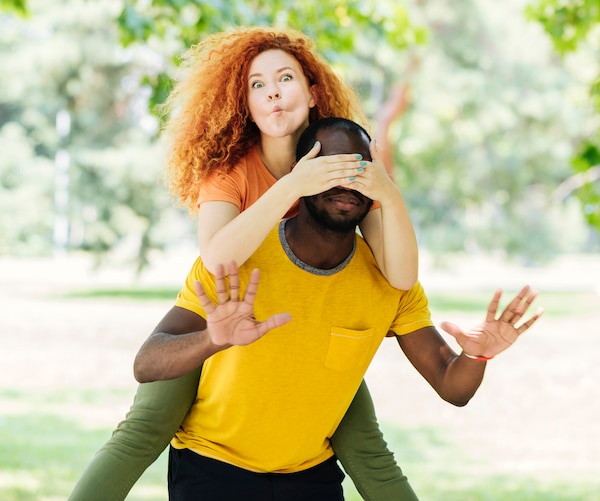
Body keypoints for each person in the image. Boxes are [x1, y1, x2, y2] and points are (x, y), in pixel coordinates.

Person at [69, 28, 419, 500]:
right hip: (222, 321)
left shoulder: (343, 165)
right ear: (246, 106)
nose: (272, 92)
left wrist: (387, 192)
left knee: (369, 451)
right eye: (257, 85)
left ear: (314, 94)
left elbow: (396, 273)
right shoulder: (230, 172)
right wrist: (295, 185)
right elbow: (215, 259)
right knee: (144, 428)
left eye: (285, 78)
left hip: (301, 334)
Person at [133, 117, 543, 500]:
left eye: (360, 170)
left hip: (312, 477)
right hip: (211, 471)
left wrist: (476, 354)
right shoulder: (239, 257)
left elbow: (454, 388)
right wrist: (210, 340)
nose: (346, 182)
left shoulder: (391, 281)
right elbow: (147, 364)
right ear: (300, 173)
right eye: (329, 167)